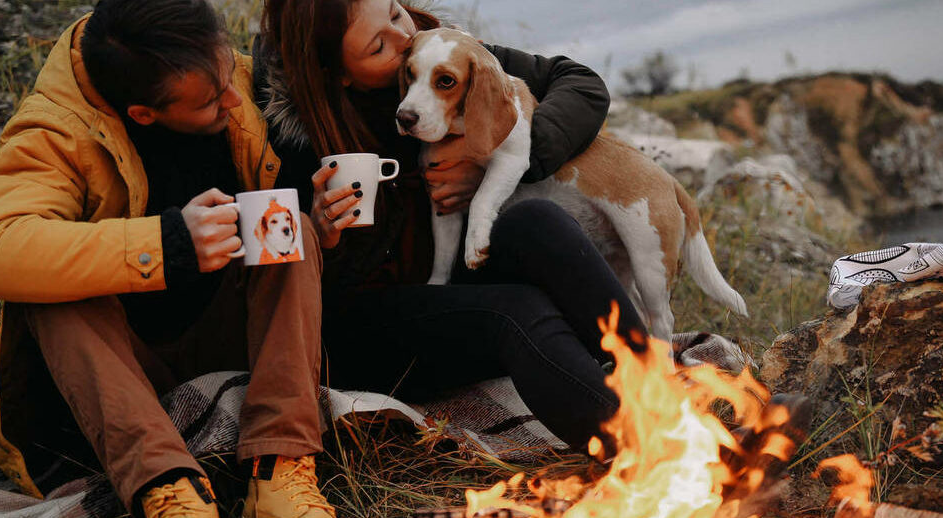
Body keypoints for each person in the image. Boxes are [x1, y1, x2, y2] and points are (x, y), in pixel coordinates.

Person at [0, 0, 369, 518]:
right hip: (113, 368)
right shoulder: (55, 127)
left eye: (226, 77)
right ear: (142, 113)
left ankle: (281, 478)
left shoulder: (220, 74)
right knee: (47, 291)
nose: (234, 100)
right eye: (210, 102)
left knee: (291, 230)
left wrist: (320, 221)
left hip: (215, 335)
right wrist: (168, 242)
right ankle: (173, 497)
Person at [257, 0, 650, 451]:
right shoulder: (289, 135)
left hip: (449, 278)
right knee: (514, 310)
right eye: (378, 45)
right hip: (368, 326)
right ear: (337, 73)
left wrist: (493, 161)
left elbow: (581, 84)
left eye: (394, 13)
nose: (403, 40)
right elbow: (272, 275)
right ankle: (640, 448)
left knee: (537, 221)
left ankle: (656, 390)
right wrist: (319, 232)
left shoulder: (443, 53)